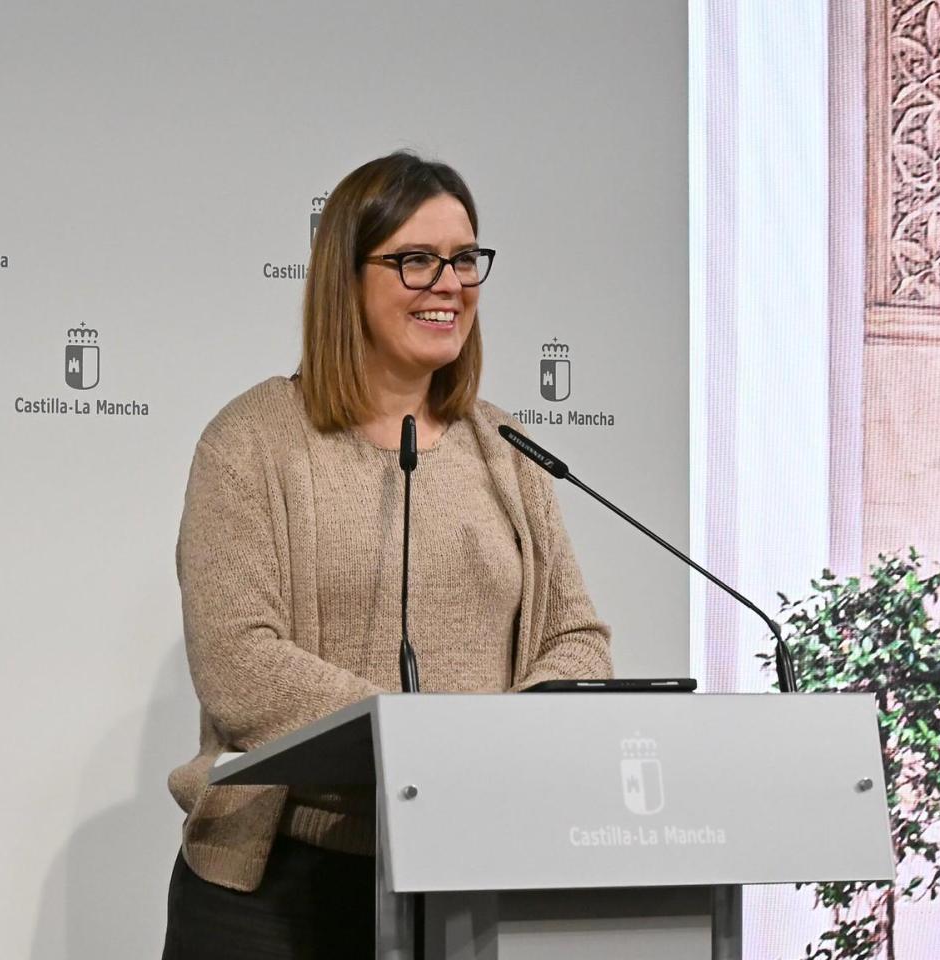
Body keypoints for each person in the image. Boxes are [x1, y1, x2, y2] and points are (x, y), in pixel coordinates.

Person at [160, 152, 614, 958]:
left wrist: (506, 747)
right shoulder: (253, 442)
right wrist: (425, 741)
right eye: (415, 260)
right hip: (278, 891)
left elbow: (573, 639)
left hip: (466, 871)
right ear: (346, 276)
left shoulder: (506, 449)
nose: (449, 283)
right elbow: (240, 663)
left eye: (465, 259)